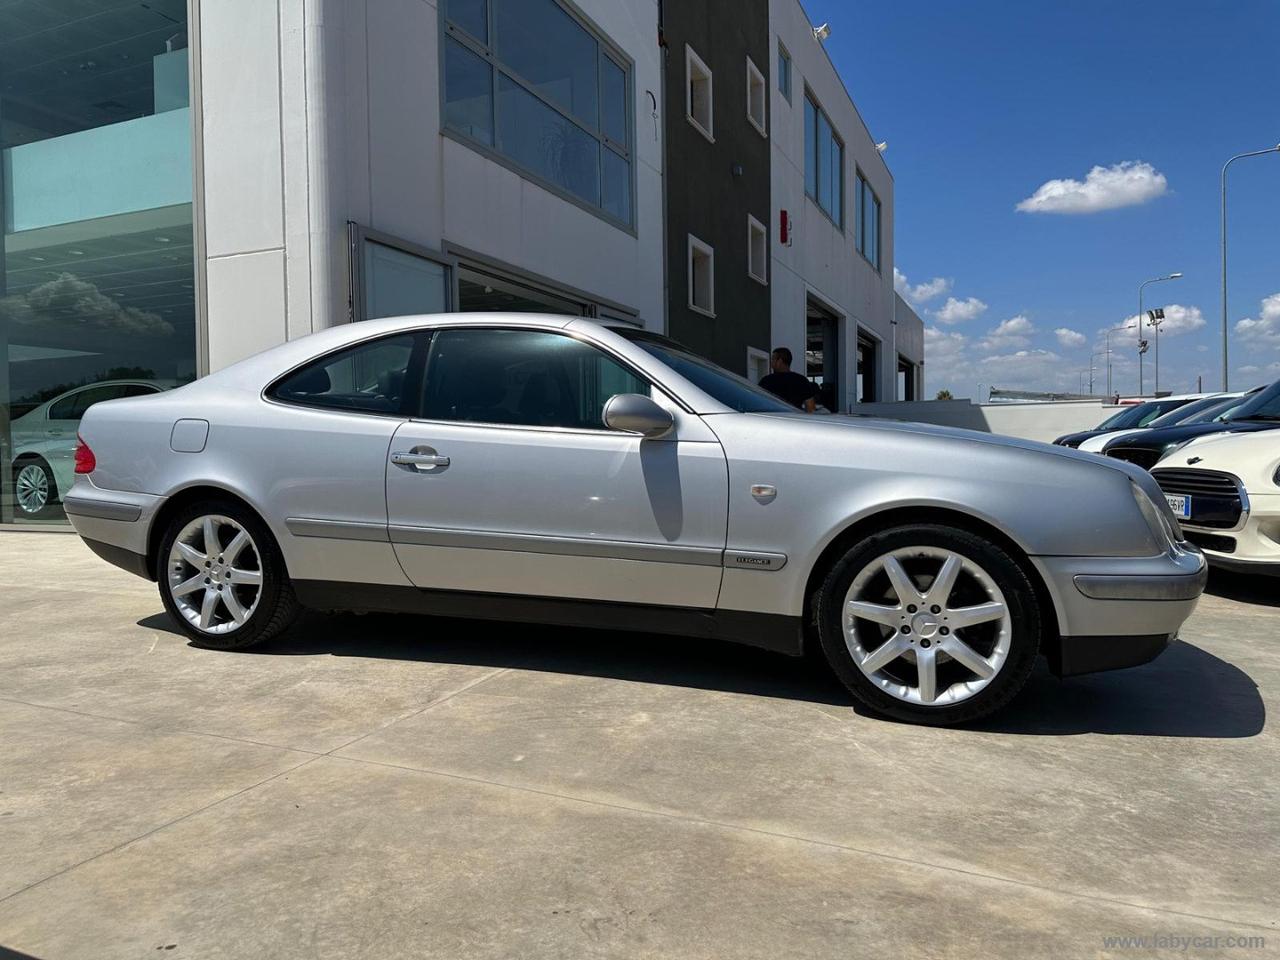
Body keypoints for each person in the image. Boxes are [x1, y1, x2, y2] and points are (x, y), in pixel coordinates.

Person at [758, 347, 819, 412]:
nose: (771, 363)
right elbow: (811, 408)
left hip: (772, 419)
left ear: (779, 361)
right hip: (794, 419)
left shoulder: (767, 381)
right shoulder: (801, 380)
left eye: (773, 359)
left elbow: (758, 403)